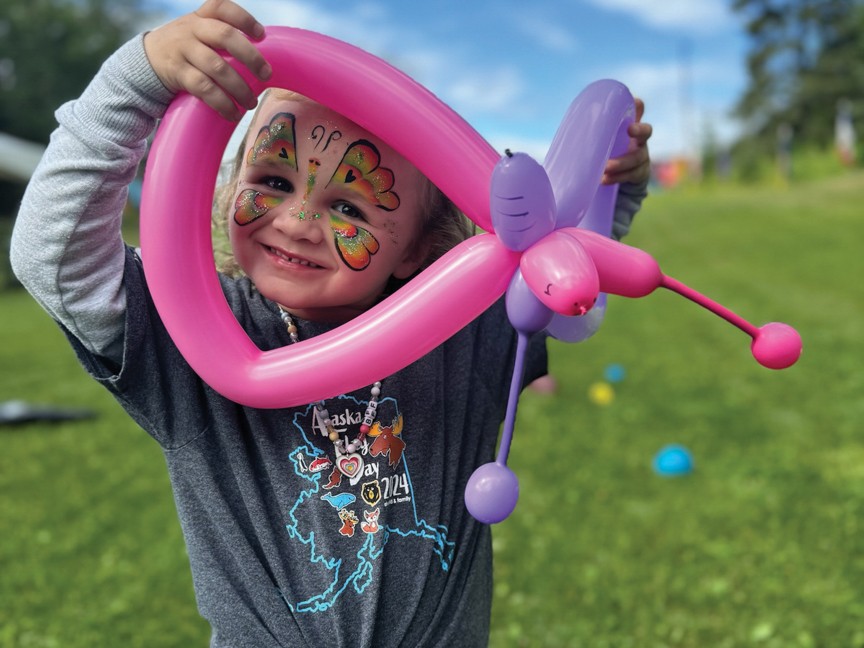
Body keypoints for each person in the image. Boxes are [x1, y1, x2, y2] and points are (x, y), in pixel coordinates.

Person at [10, 1, 652, 645]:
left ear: (420, 247)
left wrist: (605, 189)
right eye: (272, 178)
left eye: (348, 204)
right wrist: (135, 81)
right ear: (230, 181)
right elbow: (52, 255)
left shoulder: (465, 325)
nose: (294, 221)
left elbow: (566, 273)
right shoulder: (187, 331)